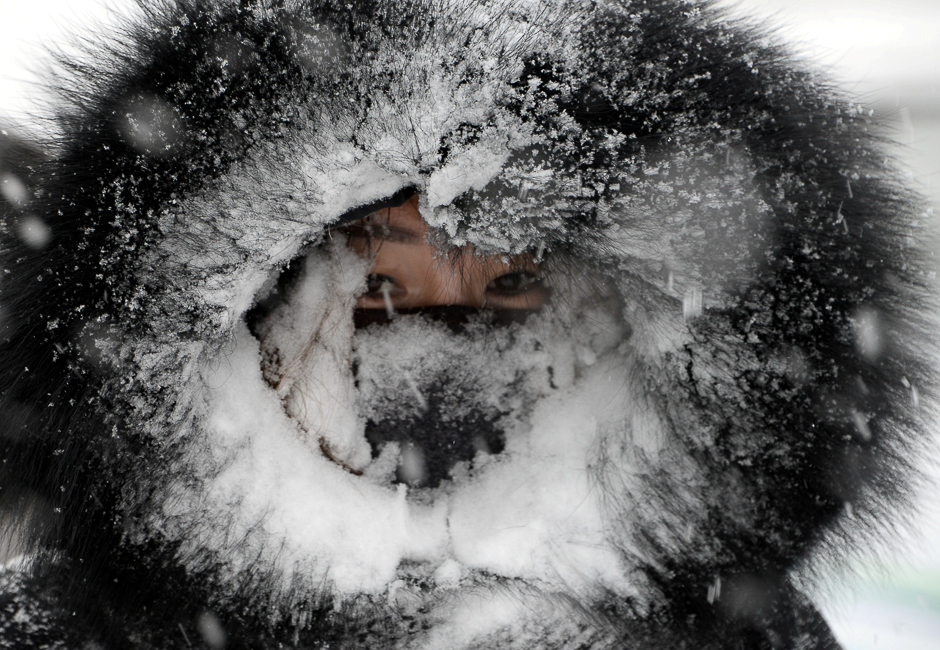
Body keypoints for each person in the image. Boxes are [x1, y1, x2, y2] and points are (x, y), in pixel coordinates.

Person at [0, 1, 934, 648]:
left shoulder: (743, 634)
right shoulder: (69, 626)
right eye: (376, 281)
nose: (438, 344)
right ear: (262, 295)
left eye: (512, 283)